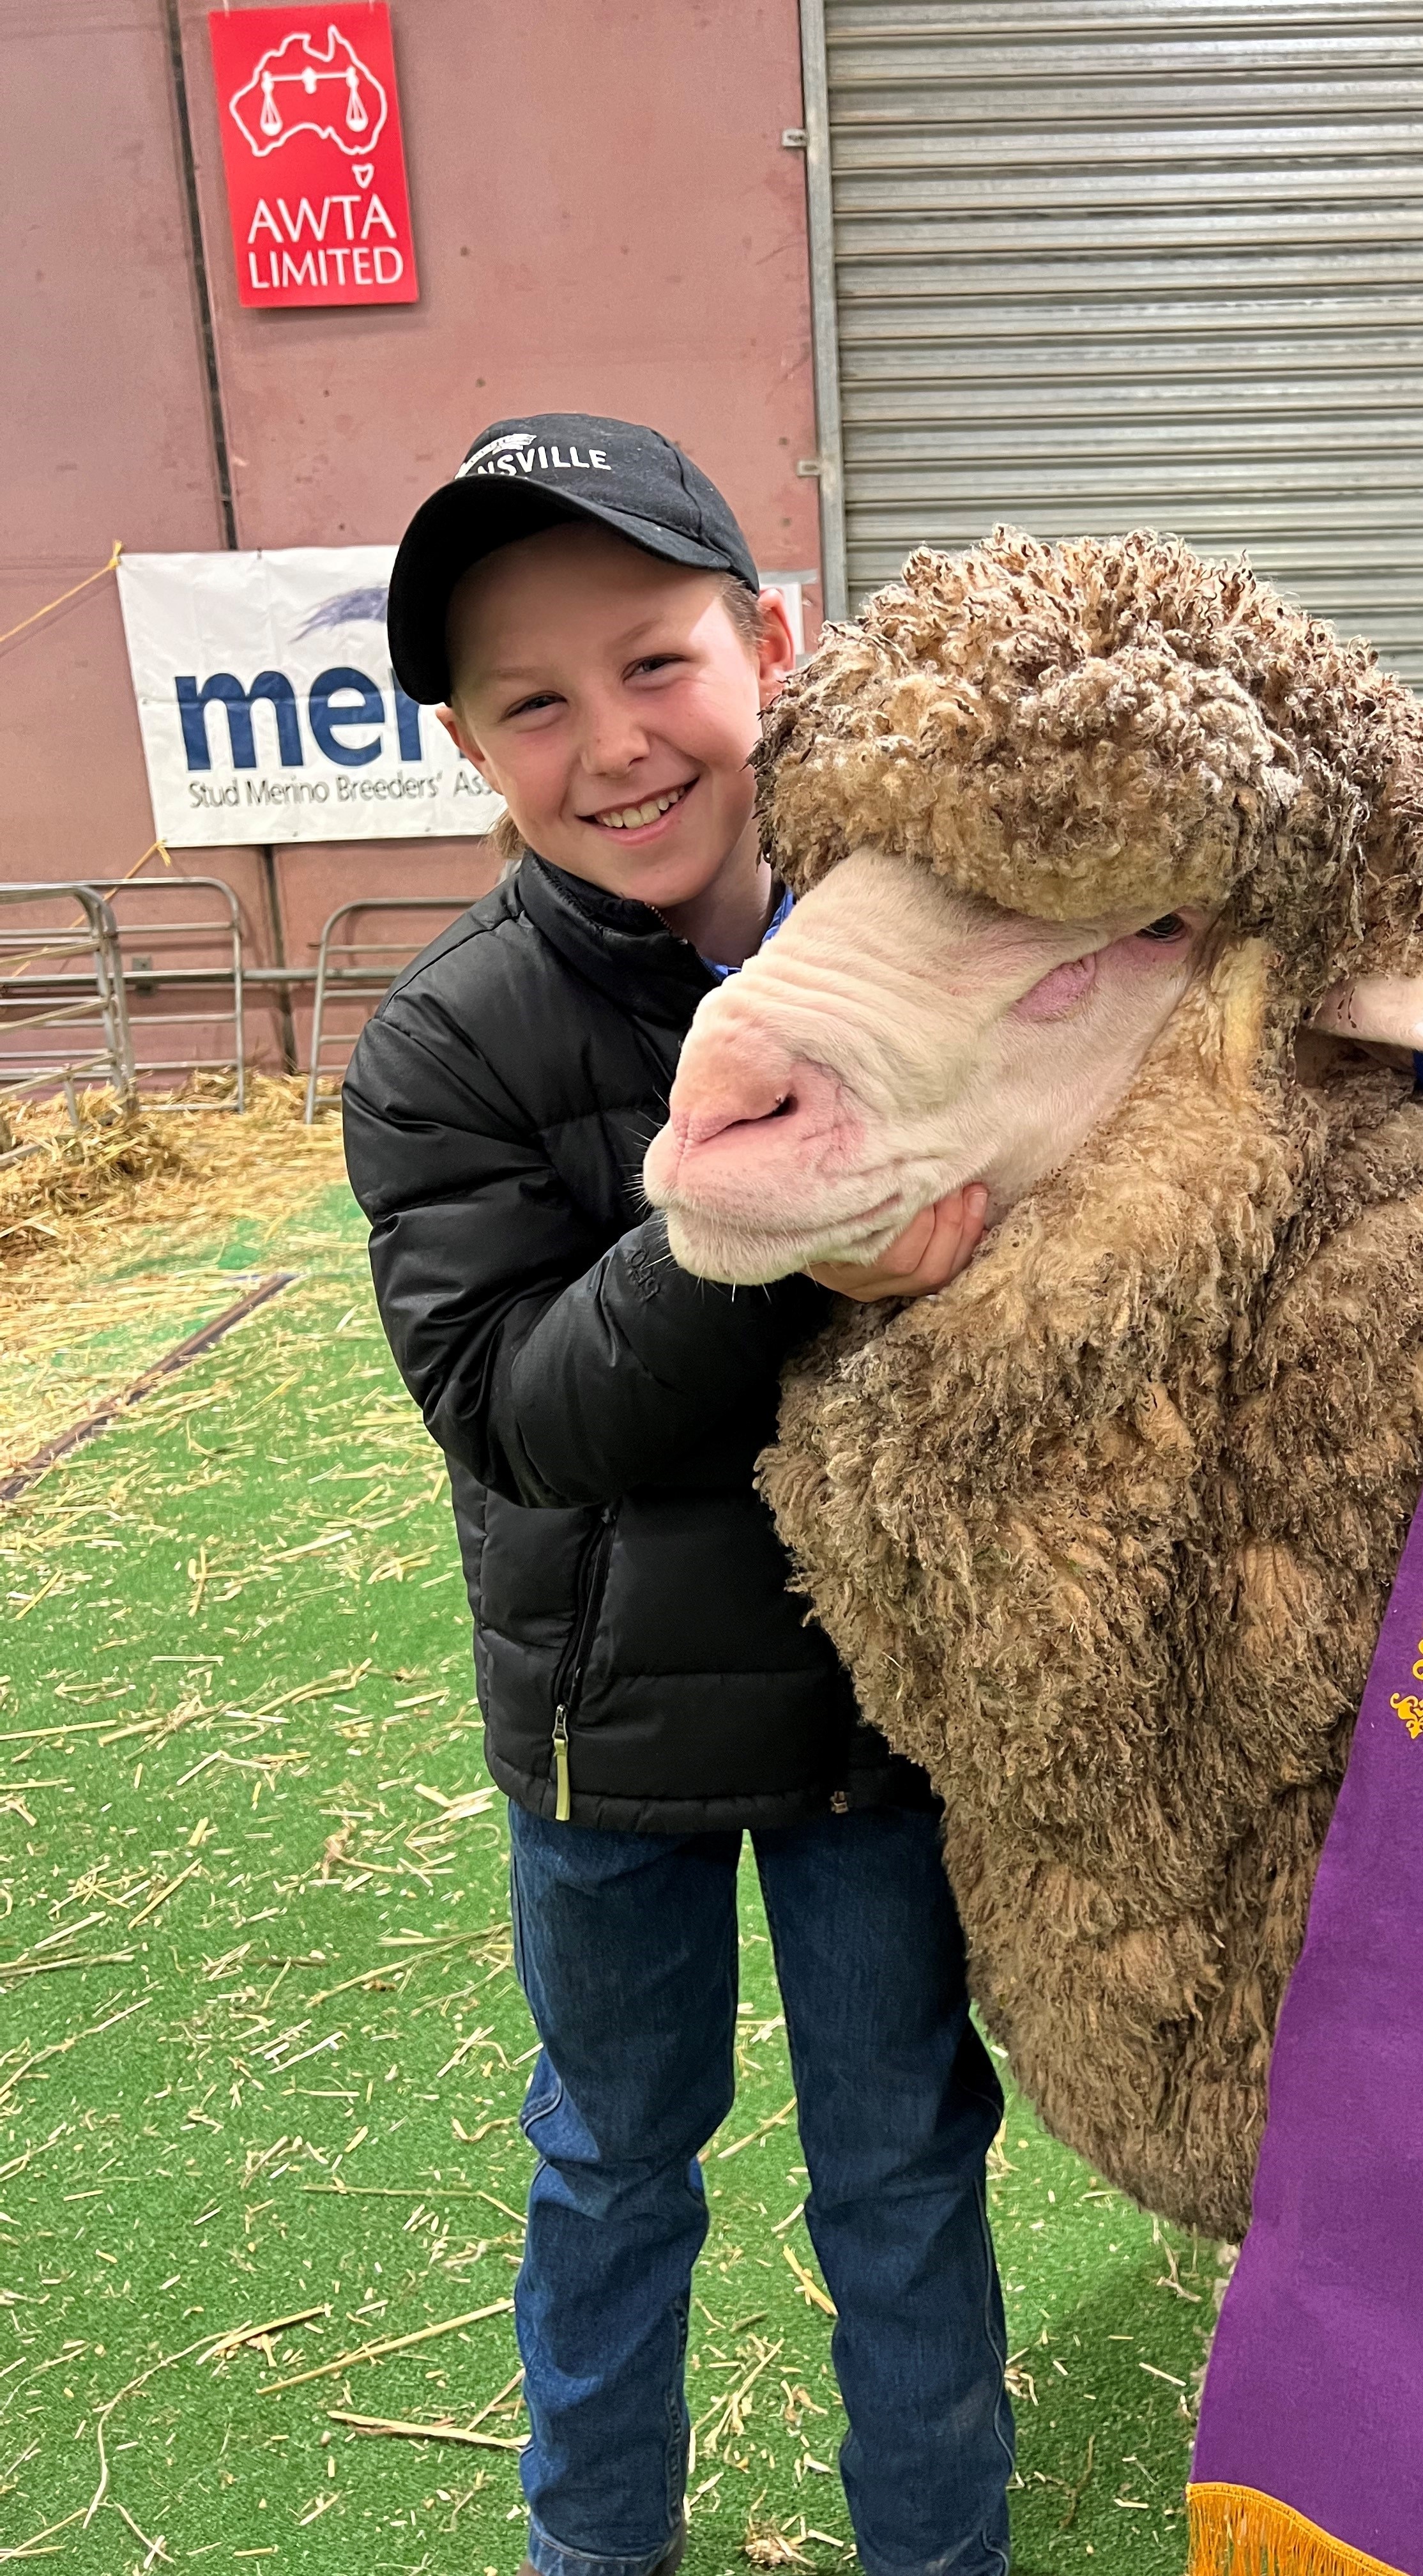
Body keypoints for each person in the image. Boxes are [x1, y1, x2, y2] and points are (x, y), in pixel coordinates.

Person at [343, 415, 1008, 2576]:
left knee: (903, 2165)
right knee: (618, 2160)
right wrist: (767, 1228)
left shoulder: (935, 949)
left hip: (876, 1724)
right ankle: (591, 2550)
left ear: (770, 645)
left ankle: (939, 2548)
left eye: (654, 665)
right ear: (468, 746)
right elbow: (517, 1409)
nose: (613, 745)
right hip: (601, 1749)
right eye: (532, 704)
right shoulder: (448, 1043)